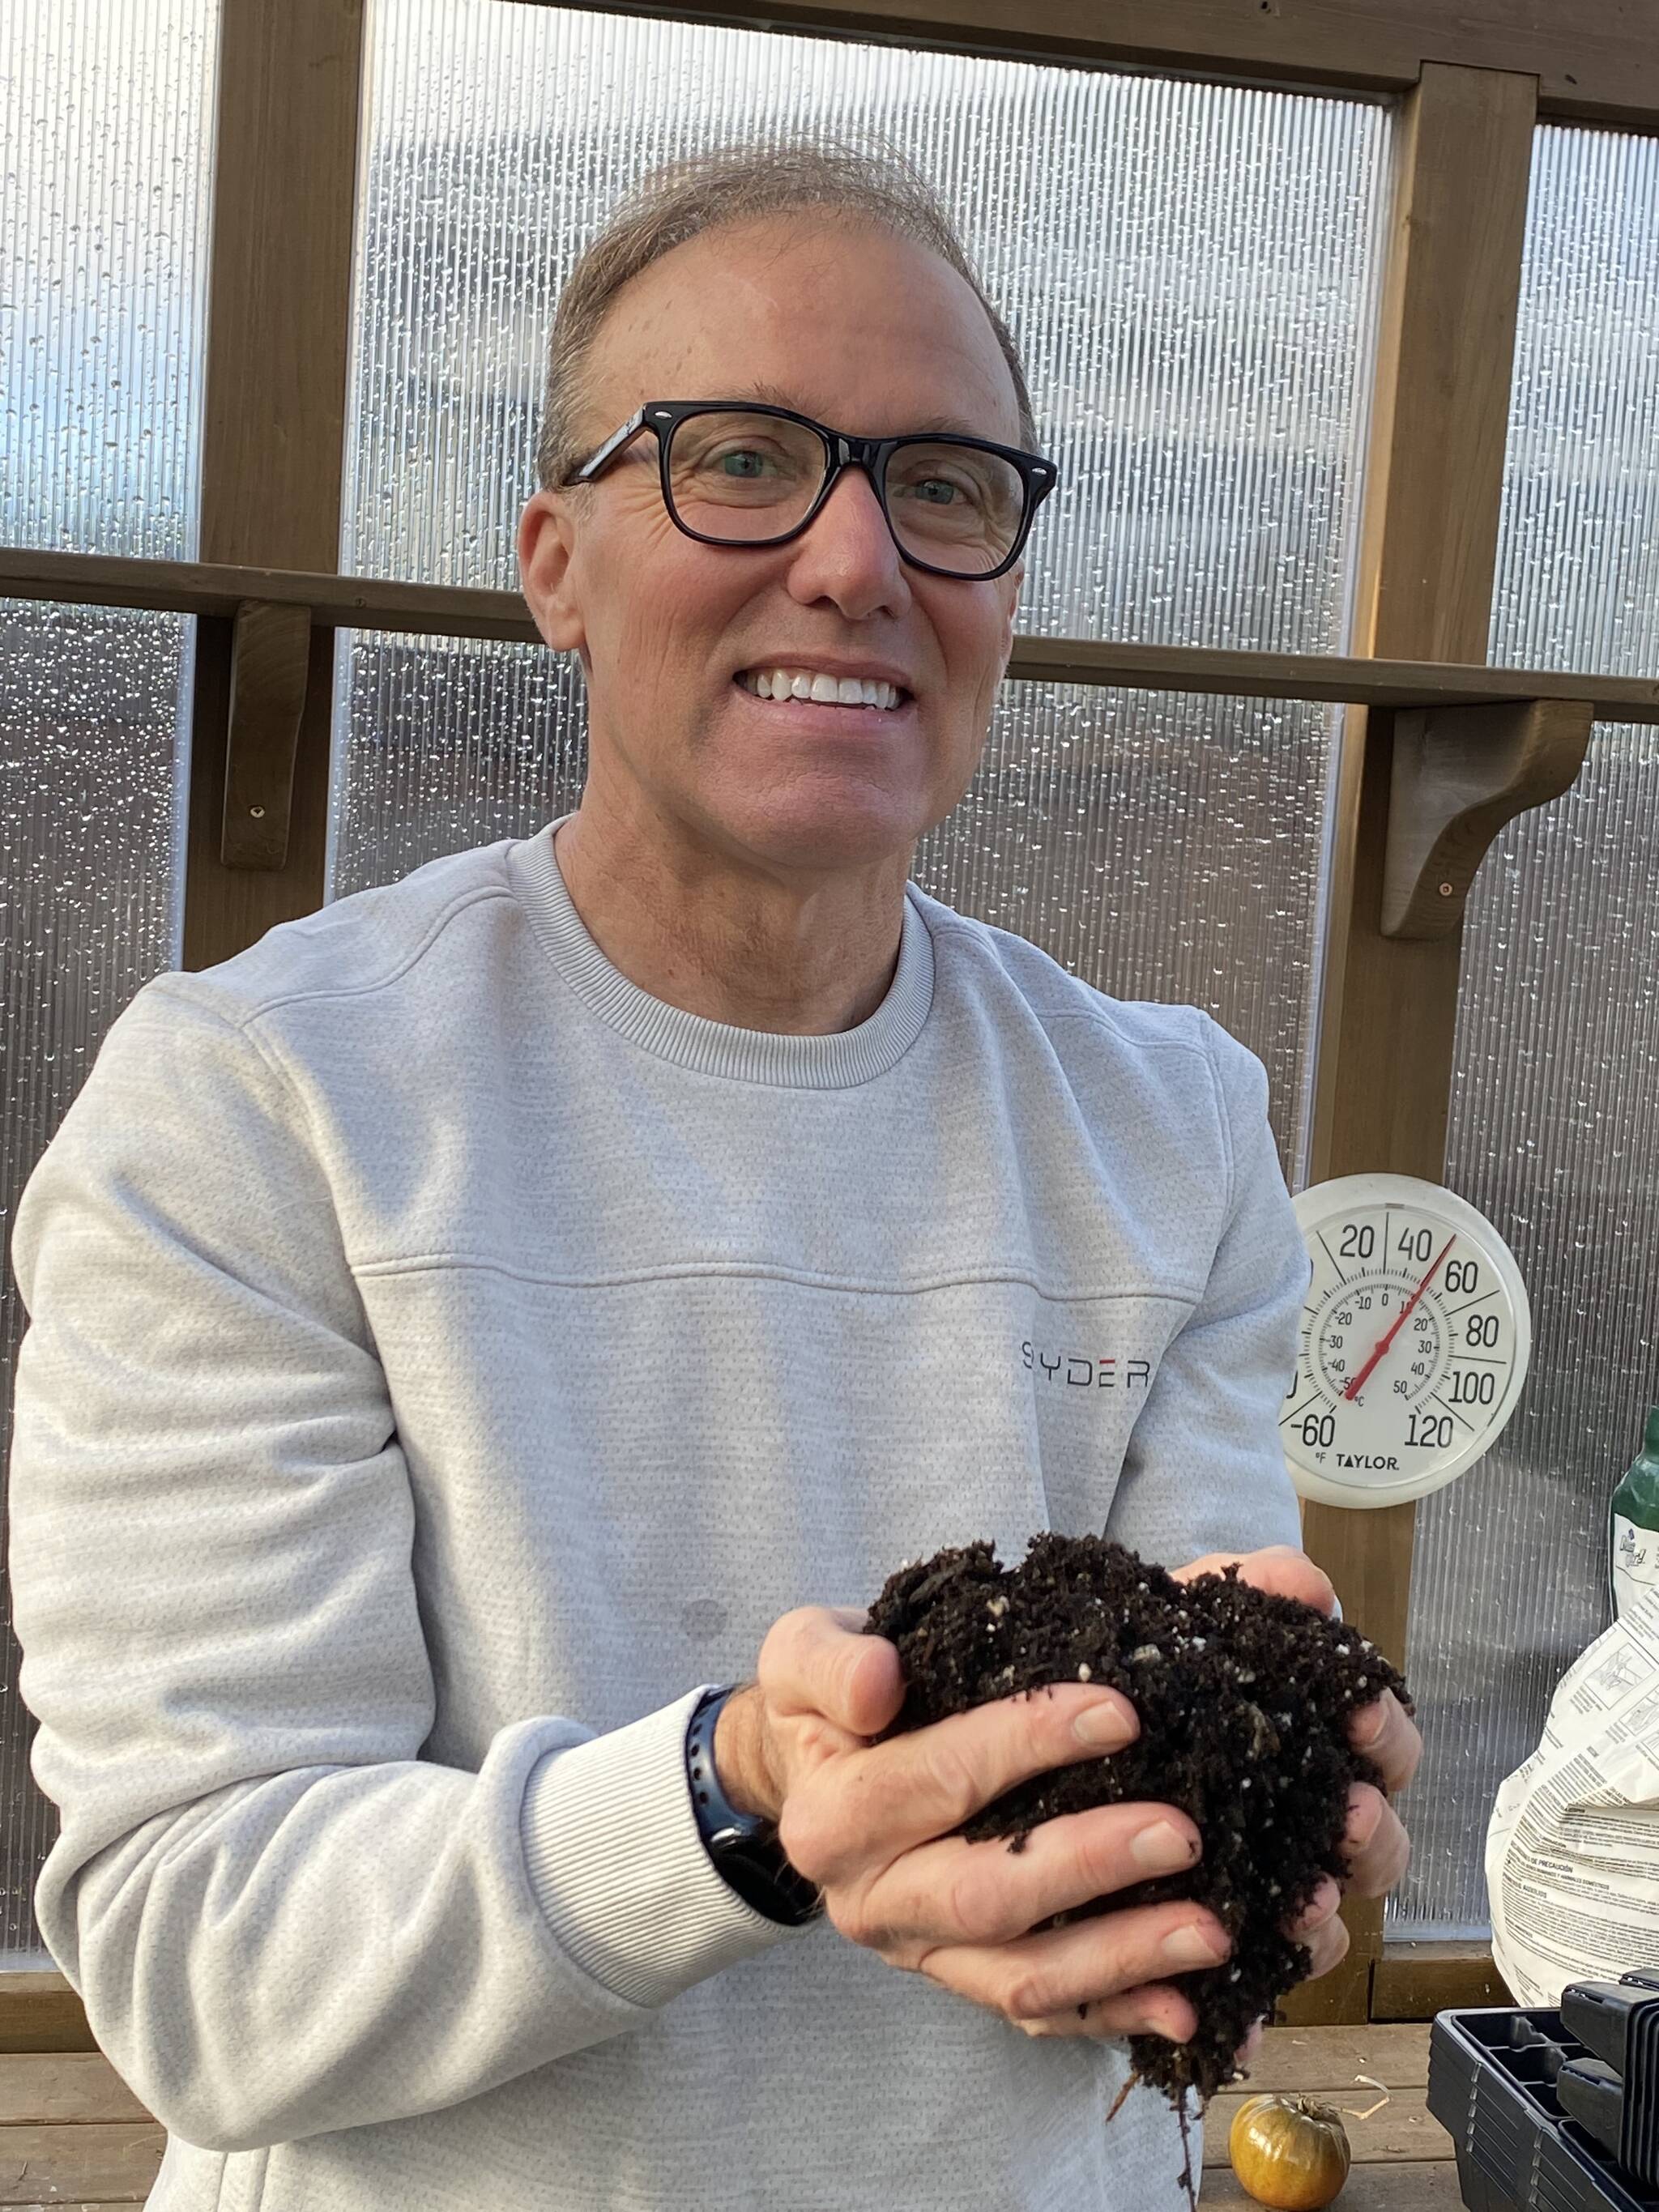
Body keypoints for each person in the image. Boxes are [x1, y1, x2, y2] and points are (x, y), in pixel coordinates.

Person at [6, 139, 1419, 2212]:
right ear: (552, 563)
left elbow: (1195, 1705)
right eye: (738, 458)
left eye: (944, 482)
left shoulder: (1166, 1117)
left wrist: (1282, 1830)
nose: (858, 560)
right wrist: (735, 1801)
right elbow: (204, 1958)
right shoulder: (269, 1101)